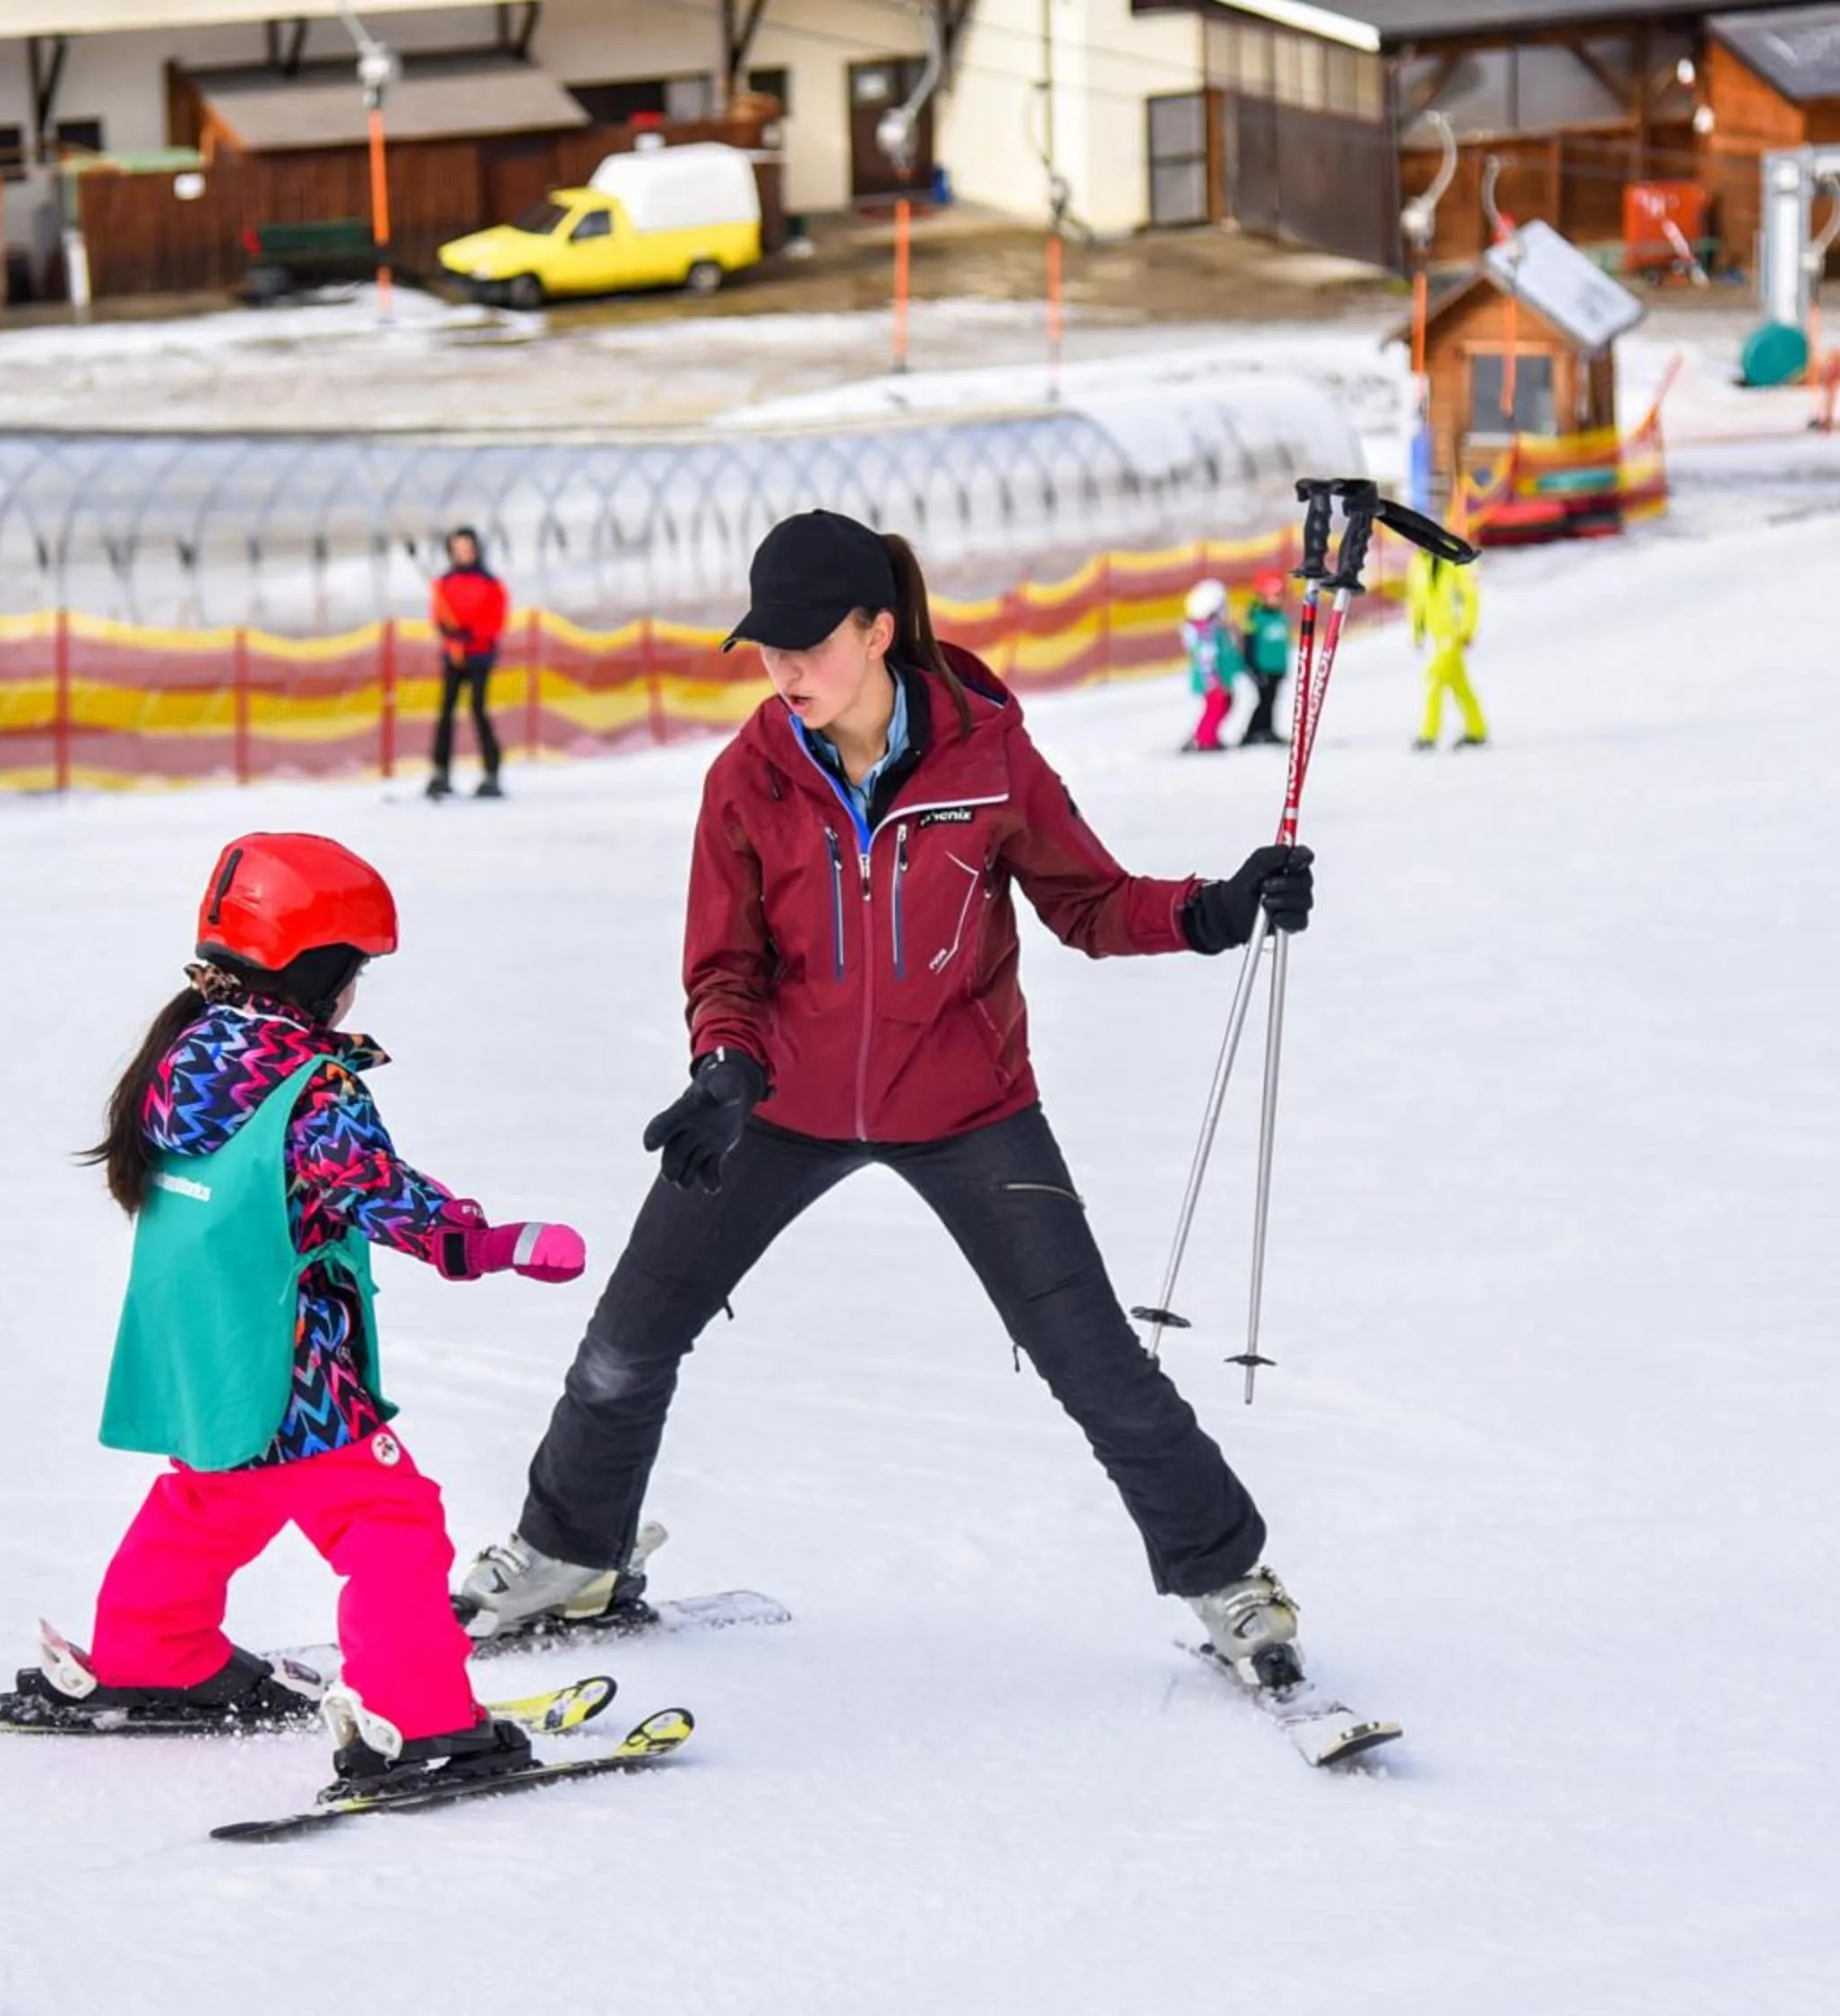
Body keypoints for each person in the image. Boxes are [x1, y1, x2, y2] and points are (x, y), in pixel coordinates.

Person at [454, 508, 1321, 1689]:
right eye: (767, 647)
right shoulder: (747, 776)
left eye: (808, 643)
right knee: (623, 1344)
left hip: (968, 1106)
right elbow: (727, 966)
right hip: (780, 1104)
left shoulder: (988, 757)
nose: (784, 670)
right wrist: (727, 1066)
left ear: (877, 629)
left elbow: (1091, 903)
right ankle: (570, 1553)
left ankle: (1228, 1581)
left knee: (1094, 1358)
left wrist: (1215, 908)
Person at [35, 832, 588, 1794]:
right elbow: (384, 1195)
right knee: (391, 1521)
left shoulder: (186, 1054)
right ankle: (415, 1719)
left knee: (214, 1493)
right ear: (320, 971)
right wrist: (486, 1242)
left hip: (208, 1351)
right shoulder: (308, 1089)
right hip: (300, 1365)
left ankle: (152, 1648)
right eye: (356, 970)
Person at [428, 528, 511, 798]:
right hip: (453, 655)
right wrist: (451, 638)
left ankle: (491, 771)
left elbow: (495, 620)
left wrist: (471, 635)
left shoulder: (490, 584)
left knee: (478, 709)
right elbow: (439, 616)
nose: (462, 553)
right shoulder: (444, 584)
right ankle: (440, 772)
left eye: (467, 547)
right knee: (445, 713)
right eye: (457, 548)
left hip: (479, 656)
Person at [1407, 545, 1489, 751]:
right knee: (1459, 683)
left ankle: (1429, 733)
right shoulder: (1418, 561)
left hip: (1453, 632)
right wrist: (1418, 632)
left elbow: (1469, 596)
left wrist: (1467, 629)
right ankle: (1477, 729)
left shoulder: (1455, 559)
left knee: (1434, 678)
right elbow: (1417, 601)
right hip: (1436, 634)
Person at [1179, 577, 1244, 754]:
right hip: (1213, 681)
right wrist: (1213, 682)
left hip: (1220, 678)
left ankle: (1208, 736)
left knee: (1224, 704)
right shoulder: (1206, 632)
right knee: (1216, 707)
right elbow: (1206, 659)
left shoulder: (1215, 629)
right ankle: (1204, 739)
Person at [1239, 572, 1293, 748]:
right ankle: (1254, 731)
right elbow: (1249, 644)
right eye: (1274, 595)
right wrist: (1252, 667)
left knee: (1272, 699)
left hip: (1277, 667)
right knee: (1264, 699)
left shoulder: (1281, 617)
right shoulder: (1255, 616)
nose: (1278, 599)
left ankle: (1267, 729)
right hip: (1263, 667)